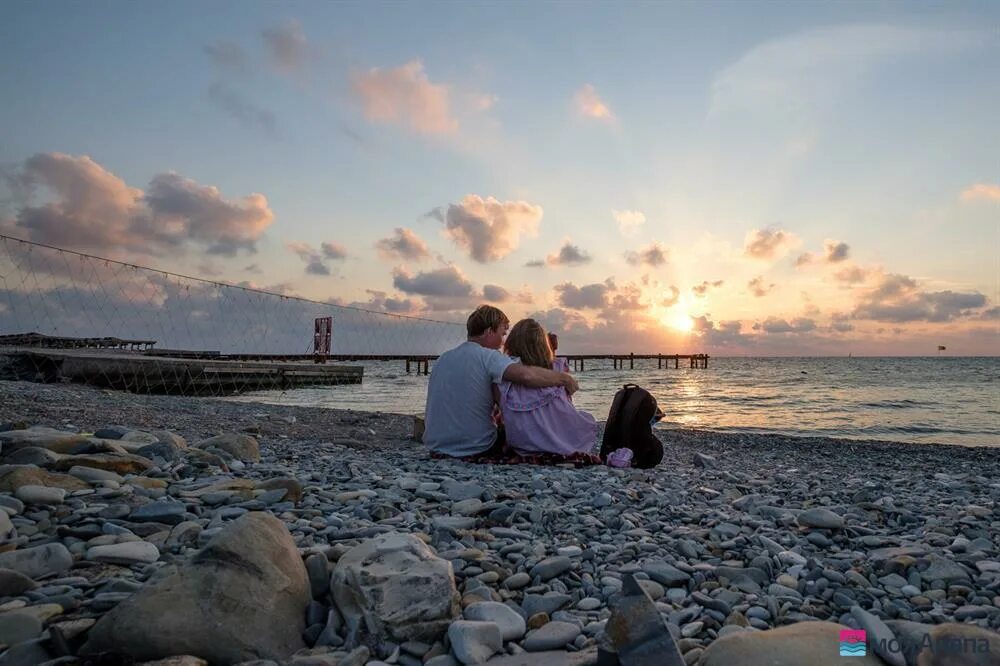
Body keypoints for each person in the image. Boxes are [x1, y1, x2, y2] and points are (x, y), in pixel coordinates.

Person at [424, 305, 579, 458]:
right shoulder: (488, 356)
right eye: (502, 333)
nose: (503, 342)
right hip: (476, 446)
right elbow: (526, 376)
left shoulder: (443, 358)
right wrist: (564, 378)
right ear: (489, 331)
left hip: (436, 446)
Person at [498, 319, 598, 457]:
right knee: (587, 420)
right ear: (543, 345)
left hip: (521, 443)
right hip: (558, 441)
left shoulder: (506, 370)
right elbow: (568, 402)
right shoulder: (557, 369)